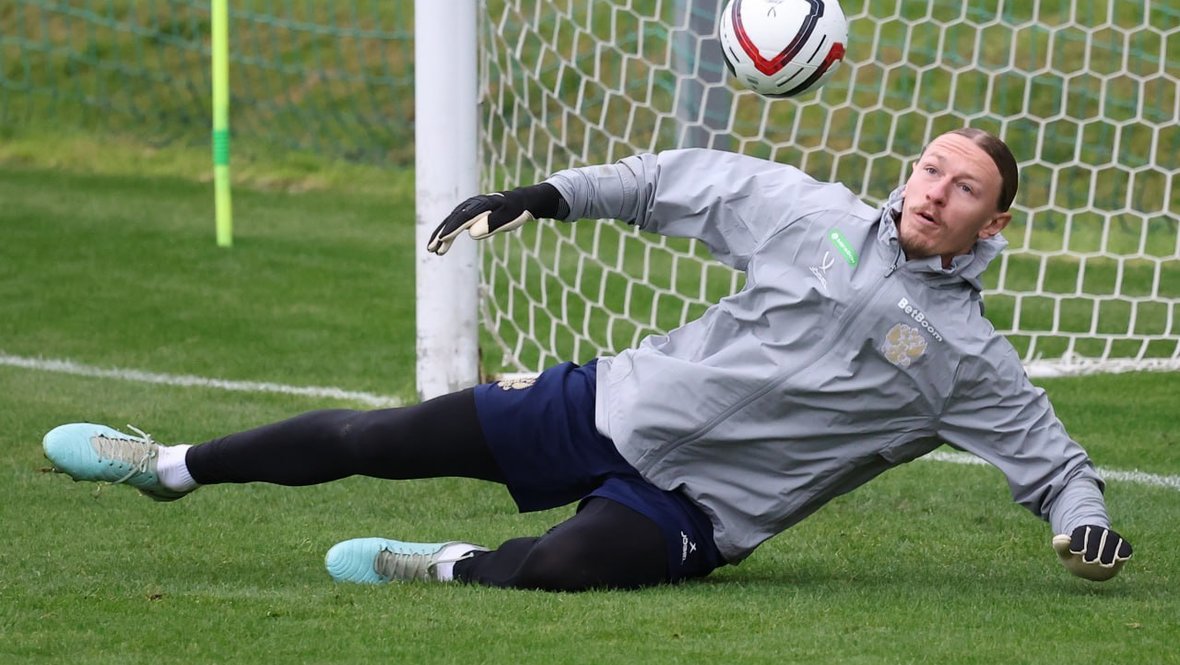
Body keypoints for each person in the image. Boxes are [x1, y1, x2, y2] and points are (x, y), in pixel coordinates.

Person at [43, 128, 1133, 590]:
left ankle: (444, 564)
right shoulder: (812, 215)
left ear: (991, 225)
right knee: (377, 434)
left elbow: (1051, 462)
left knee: (562, 567)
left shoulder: (965, 356)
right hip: (611, 403)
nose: (934, 191)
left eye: (963, 189)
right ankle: (169, 463)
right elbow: (667, 182)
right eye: (930, 168)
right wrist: (541, 196)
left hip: (702, 508)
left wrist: (1078, 523)